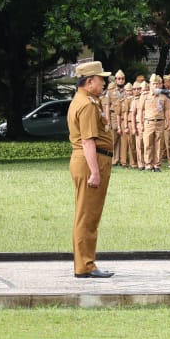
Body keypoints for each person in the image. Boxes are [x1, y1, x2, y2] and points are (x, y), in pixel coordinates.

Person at [67, 60, 116, 278]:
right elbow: (88, 141)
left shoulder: (87, 100)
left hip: (91, 160)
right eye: (100, 79)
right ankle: (85, 265)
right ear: (89, 82)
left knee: (88, 215)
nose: (103, 82)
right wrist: (95, 171)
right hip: (90, 161)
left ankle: (86, 263)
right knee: (87, 216)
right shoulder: (86, 105)